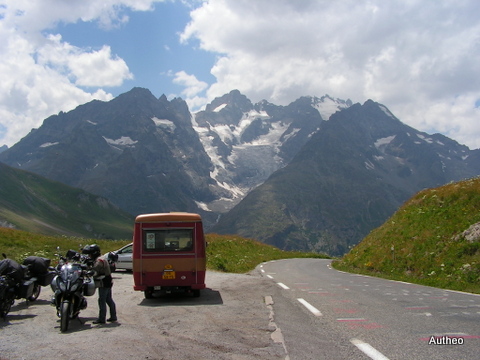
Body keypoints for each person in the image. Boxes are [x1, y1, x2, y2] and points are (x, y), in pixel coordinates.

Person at [82, 244, 117, 324]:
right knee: (109, 299)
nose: (89, 256)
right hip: (108, 280)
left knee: (102, 300)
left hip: (103, 282)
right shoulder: (102, 257)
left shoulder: (99, 261)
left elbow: (94, 270)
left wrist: (88, 272)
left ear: (94, 253)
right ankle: (113, 316)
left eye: (90, 254)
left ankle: (102, 319)